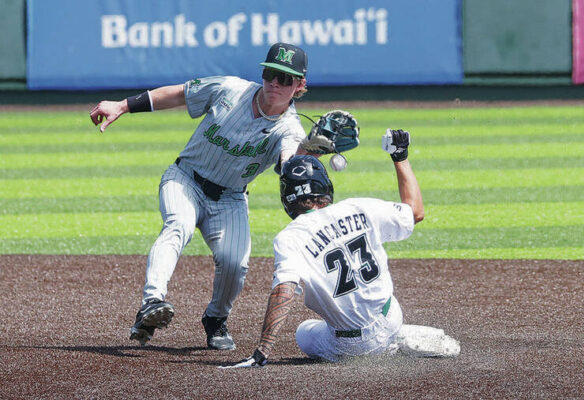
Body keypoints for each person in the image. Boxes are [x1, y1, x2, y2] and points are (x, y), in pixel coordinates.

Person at [89, 42, 313, 350]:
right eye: (270, 74)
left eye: (285, 78)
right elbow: (181, 93)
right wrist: (123, 106)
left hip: (231, 198)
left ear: (300, 85)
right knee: (177, 227)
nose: (275, 82)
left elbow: (288, 162)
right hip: (185, 179)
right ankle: (151, 302)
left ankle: (216, 319)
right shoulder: (229, 90)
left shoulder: (290, 129)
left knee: (235, 262)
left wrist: (308, 152)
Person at [220, 129, 460, 368]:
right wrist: (400, 157)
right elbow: (415, 212)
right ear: (325, 187)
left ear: (287, 198)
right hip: (390, 317)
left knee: (303, 332)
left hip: (349, 345)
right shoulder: (358, 207)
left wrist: (262, 351)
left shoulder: (289, 238)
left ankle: (381, 347)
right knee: (379, 312)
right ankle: (393, 337)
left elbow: (284, 290)